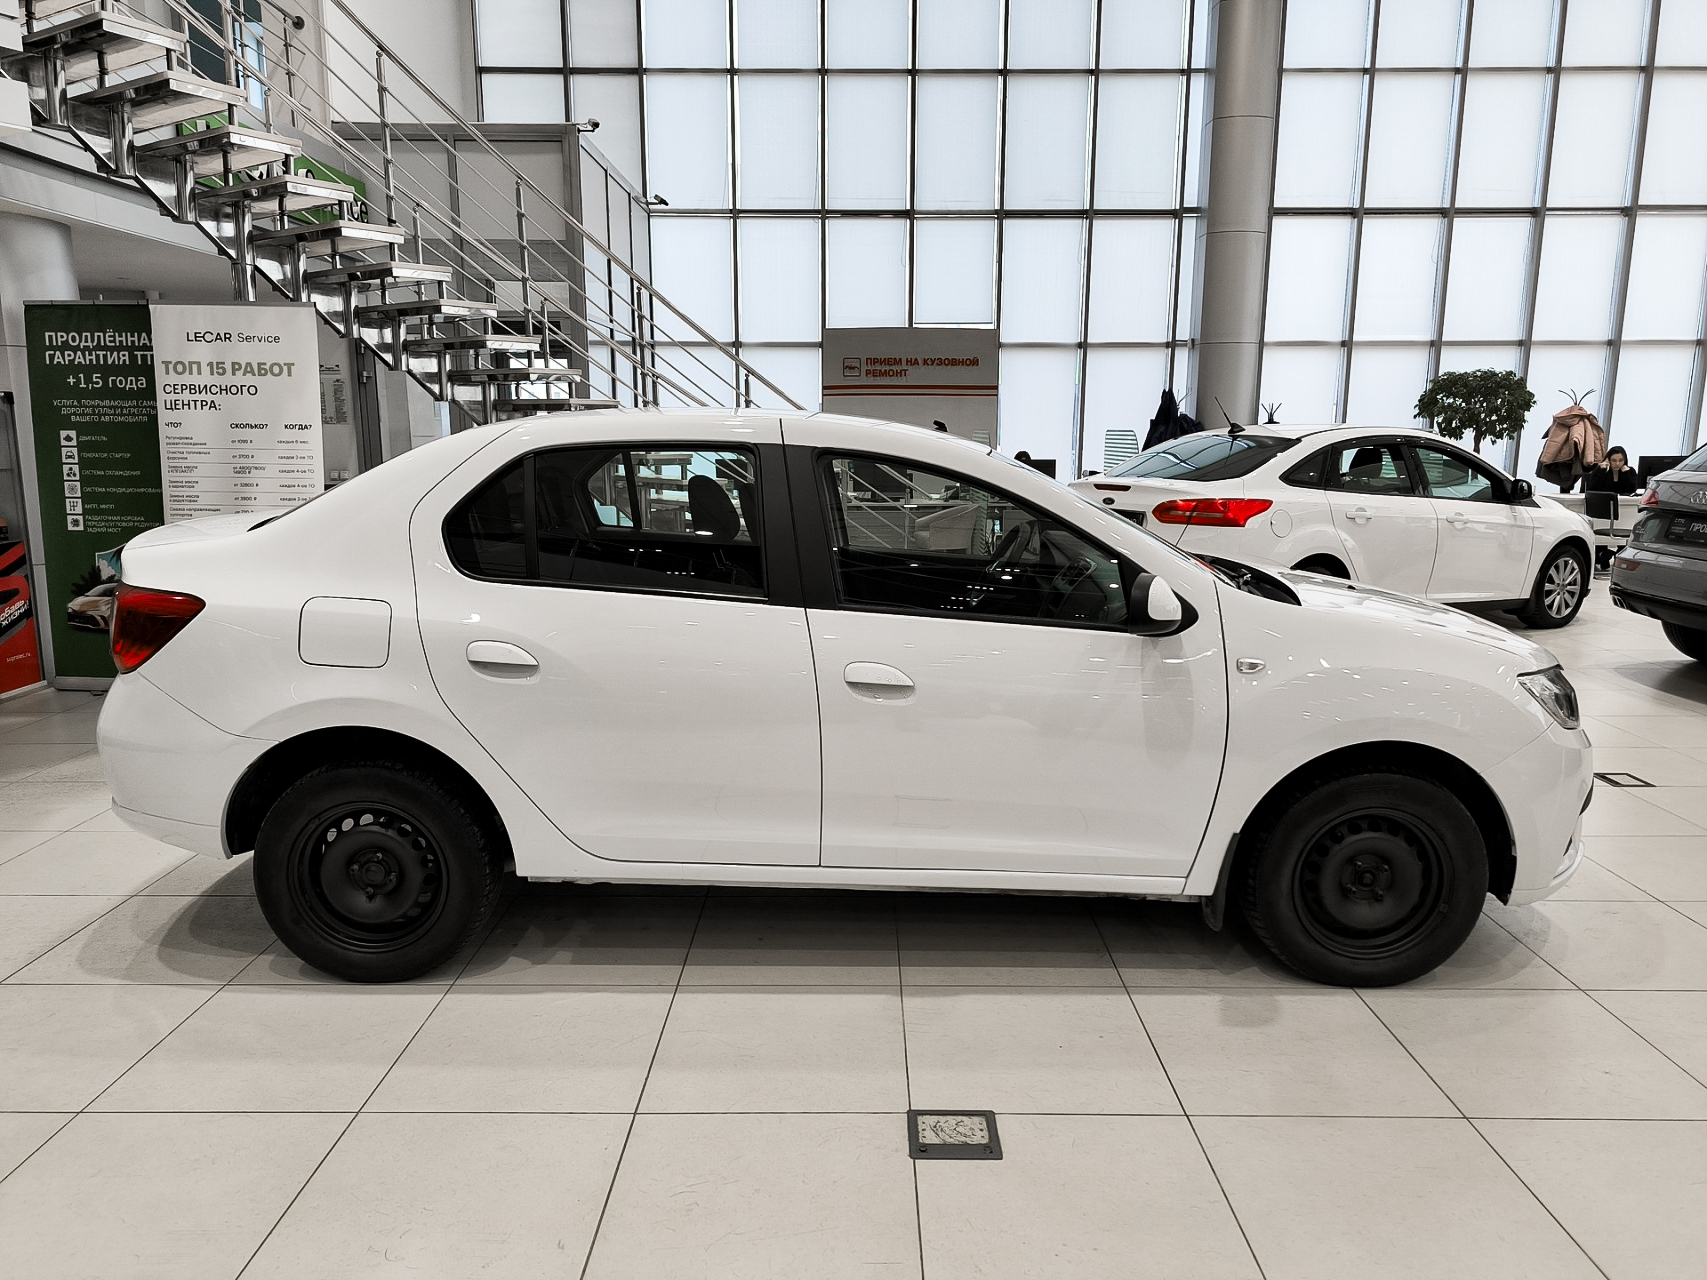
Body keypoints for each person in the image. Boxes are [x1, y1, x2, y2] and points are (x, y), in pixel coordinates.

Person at [1584, 446, 1640, 569]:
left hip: (1622, 512)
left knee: (1625, 524)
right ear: (1608, 460)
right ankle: (1602, 555)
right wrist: (1601, 471)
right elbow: (1593, 489)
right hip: (1603, 514)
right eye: (1614, 460)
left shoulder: (1630, 471)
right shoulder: (1601, 470)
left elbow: (1631, 490)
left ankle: (1617, 555)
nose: (1617, 464)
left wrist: (1625, 473)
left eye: (1621, 460)